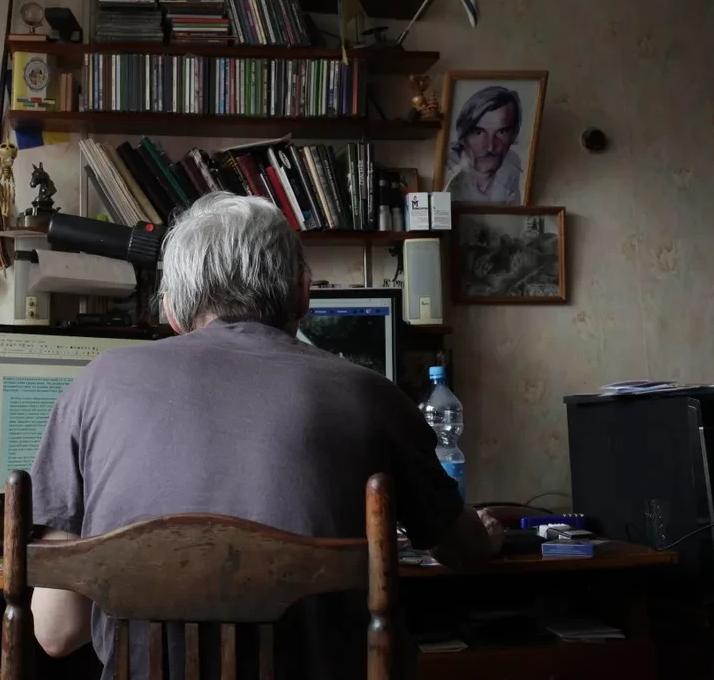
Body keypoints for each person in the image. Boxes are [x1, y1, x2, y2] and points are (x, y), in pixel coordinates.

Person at [28, 193, 502, 680]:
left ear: (171, 309)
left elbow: (56, 631)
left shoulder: (95, 385)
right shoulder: (372, 394)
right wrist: (485, 533)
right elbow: (463, 552)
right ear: (303, 293)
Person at [445, 85, 524, 204]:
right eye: (478, 132)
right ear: (462, 135)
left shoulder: (513, 168)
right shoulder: (448, 171)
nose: (490, 146)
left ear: (514, 135)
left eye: (501, 132)